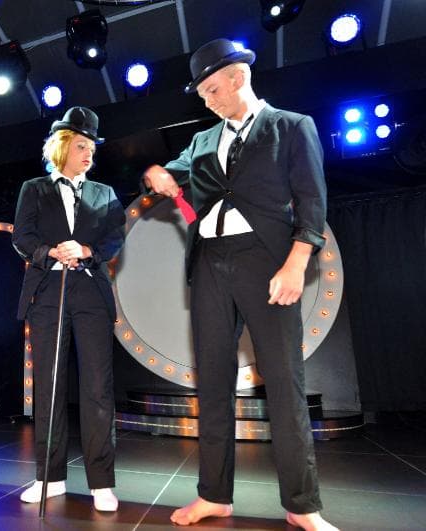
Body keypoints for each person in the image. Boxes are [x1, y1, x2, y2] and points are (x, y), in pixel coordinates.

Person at [142, 39, 338, 531]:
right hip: (209, 261)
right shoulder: (202, 140)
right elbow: (170, 175)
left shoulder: (291, 126)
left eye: (212, 89)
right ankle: (214, 496)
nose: (208, 101)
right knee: (212, 382)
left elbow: (312, 202)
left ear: (238, 77)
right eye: (201, 95)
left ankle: (302, 505)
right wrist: (156, 174)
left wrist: (296, 263)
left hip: (266, 260)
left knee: (284, 383)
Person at [13, 107, 125, 512]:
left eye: (92, 147)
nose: (88, 154)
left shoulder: (105, 193)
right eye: (81, 146)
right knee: (49, 386)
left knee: (97, 387)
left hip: (91, 290)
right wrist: (49, 252)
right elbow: (21, 236)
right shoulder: (33, 188)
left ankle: (102, 483)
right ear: (61, 147)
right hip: (47, 291)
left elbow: (116, 237)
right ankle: (50, 477)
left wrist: (88, 250)